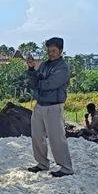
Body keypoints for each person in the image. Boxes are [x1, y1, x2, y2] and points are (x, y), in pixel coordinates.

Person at [26, 37, 74, 177]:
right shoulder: (44, 65)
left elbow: (50, 84)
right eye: (49, 50)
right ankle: (42, 164)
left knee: (56, 138)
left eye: (53, 50)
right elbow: (34, 80)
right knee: (36, 136)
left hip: (54, 106)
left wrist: (36, 83)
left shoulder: (63, 67)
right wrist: (31, 69)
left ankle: (66, 168)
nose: (51, 53)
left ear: (60, 51)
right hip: (40, 105)